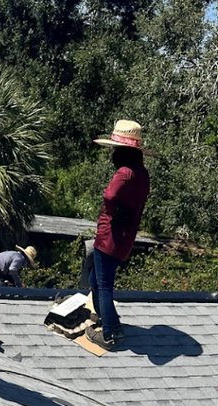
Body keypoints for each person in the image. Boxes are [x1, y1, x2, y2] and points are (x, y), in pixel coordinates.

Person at [89, 119, 151, 351]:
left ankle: (110, 333)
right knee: (97, 279)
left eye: (116, 149)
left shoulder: (124, 173)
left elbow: (110, 196)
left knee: (103, 284)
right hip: (124, 237)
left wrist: (112, 211)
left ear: (123, 151)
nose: (113, 153)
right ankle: (108, 318)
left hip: (109, 237)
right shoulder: (141, 174)